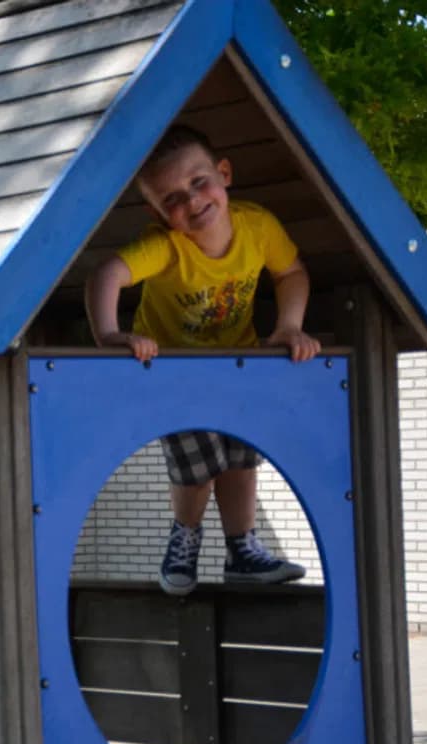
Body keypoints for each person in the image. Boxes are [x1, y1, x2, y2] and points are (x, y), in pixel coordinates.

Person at [86, 124, 321, 596]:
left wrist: (290, 325)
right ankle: (185, 538)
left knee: (240, 456)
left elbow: (291, 271)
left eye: (199, 183)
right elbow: (107, 273)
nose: (192, 202)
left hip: (235, 366)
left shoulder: (257, 227)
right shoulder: (167, 248)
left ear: (224, 173)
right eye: (172, 199)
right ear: (157, 213)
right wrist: (110, 335)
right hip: (174, 371)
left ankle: (242, 549)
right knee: (198, 464)